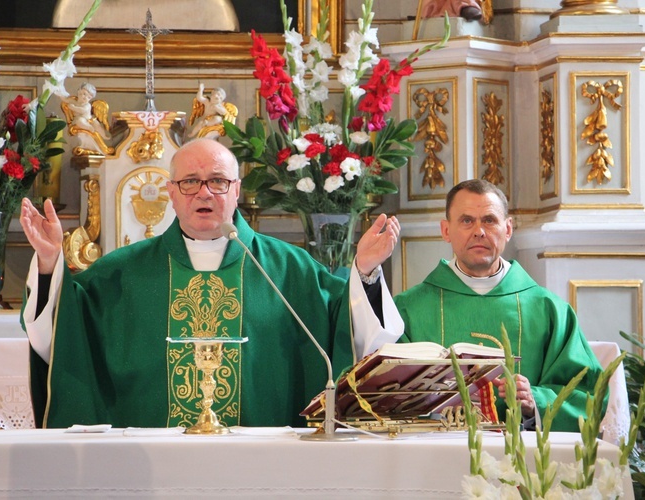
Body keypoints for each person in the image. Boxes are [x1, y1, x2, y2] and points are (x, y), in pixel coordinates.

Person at [20, 138, 394, 429]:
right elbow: (65, 330)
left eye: (217, 181)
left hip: (263, 465)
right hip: (148, 469)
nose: (204, 192)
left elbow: (347, 327)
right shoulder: (120, 273)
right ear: (170, 192)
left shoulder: (289, 270)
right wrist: (51, 262)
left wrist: (364, 271)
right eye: (190, 182)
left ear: (235, 190)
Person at [353, 179, 605, 432]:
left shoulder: (549, 310)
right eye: (466, 220)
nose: (479, 231)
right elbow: (378, 388)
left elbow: (587, 395)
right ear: (446, 231)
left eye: (489, 220)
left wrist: (534, 401)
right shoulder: (408, 309)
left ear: (507, 229)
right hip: (431, 455)